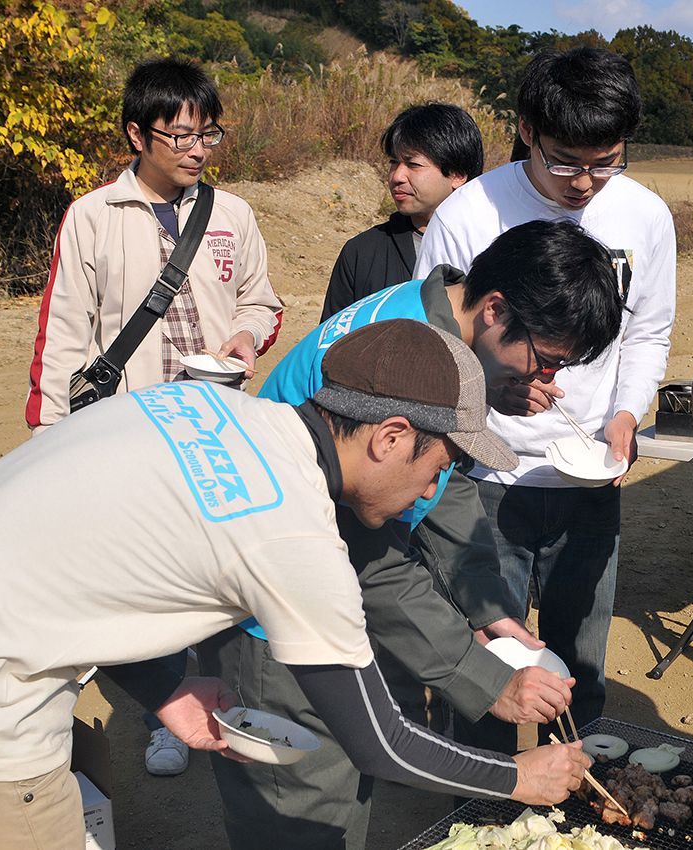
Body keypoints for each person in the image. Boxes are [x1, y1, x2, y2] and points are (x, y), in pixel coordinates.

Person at [0, 319, 592, 850]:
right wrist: (517, 777)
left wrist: (163, 687)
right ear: (391, 437)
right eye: (436, 469)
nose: (429, 493)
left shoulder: (207, 407)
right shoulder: (292, 536)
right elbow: (380, 743)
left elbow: (88, 567)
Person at [202, 220, 625, 849]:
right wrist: (481, 676)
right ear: (495, 310)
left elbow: (441, 478)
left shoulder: (436, 334)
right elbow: (367, 557)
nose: (551, 382)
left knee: (355, 769)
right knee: (311, 809)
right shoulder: (405, 351)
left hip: (326, 582)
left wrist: (485, 606)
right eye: (547, 359)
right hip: (279, 612)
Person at [24, 57, 283, 777]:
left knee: (221, 570)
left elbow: (263, 302)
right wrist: (51, 440)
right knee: (150, 578)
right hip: (129, 435)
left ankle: (232, 703)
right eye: (180, 135)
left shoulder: (232, 215)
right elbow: (64, 334)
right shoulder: (93, 216)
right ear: (138, 134)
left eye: (210, 134)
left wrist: (245, 337)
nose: (198, 149)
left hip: (217, 424)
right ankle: (165, 713)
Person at [414, 45, 677, 753]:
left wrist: (625, 416)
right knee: (489, 669)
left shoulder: (645, 217)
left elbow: (649, 331)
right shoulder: (470, 214)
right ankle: (479, 802)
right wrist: (495, 392)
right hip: (485, 479)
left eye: (606, 160)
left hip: (589, 475)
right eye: (565, 160)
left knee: (581, 662)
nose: (585, 180)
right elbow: (432, 343)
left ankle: (576, 801)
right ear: (527, 127)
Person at [321, 102, 484, 320]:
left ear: (457, 174)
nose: (397, 176)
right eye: (393, 162)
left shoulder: (492, 246)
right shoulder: (362, 253)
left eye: (413, 164)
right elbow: (330, 343)